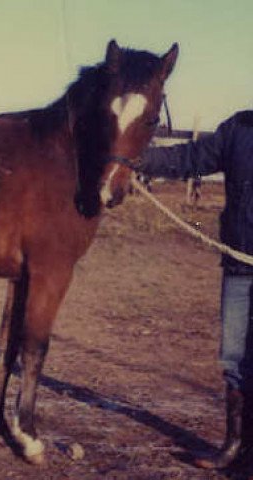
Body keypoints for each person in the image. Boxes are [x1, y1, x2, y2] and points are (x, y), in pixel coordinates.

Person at [138, 109, 253, 470]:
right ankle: (235, 447)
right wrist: (134, 156)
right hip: (239, 265)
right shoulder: (238, 129)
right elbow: (189, 158)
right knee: (234, 359)